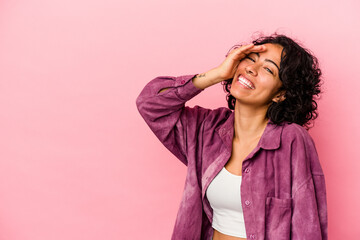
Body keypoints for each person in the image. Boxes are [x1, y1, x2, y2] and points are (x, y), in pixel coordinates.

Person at [136, 33, 328, 240]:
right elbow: (149, 103)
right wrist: (217, 74)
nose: (251, 69)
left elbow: (308, 226)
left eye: (268, 69)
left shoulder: (291, 140)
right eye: (250, 59)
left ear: (280, 94)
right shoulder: (205, 128)